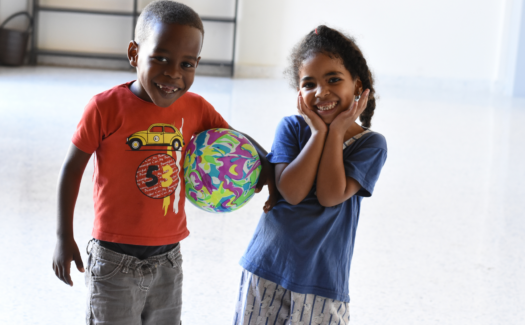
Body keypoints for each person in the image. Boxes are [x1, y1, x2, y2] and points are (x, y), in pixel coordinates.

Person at [50, 1, 274, 324]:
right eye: (161, 58)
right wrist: (62, 236)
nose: (173, 74)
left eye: (187, 65)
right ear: (134, 54)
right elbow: (71, 169)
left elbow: (237, 142)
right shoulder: (104, 108)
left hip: (168, 259)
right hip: (113, 260)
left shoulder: (196, 108)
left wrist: (269, 166)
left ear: (197, 64)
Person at [233, 25, 388, 325]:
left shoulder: (371, 144)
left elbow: (331, 195)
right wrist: (319, 133)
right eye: (309, 83)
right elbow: (292, 192)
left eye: (333, 79)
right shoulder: (291, 128)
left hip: (322, 282)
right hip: (265, 268)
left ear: (357, 86)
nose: (321, 92)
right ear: (299, 93)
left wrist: (336, 133)